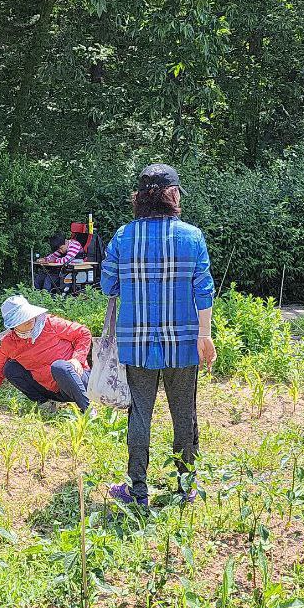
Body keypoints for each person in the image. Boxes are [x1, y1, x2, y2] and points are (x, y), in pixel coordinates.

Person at [101, 163, 215, 506]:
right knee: (184, 413)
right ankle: (184, 487)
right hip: (183, 342)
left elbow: (108, 284)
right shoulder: (192, 236)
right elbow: (204, 290)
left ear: (139, 199)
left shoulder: (123, 236)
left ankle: (137, 491)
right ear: (173, 195)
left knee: (140, 413)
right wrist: (205, 336)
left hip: (135, 342)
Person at [0, 294, 92, 412]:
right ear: (13, 325)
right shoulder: (9, 342)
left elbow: (83, 333)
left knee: (59, 367)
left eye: (28, 314)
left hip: (77, 380)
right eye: (23, 317)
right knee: (9, 368)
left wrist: (77, 359)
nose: (30, 319)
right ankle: (45, 404)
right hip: (51, 389)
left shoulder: (50, 323)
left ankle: (88, 409)